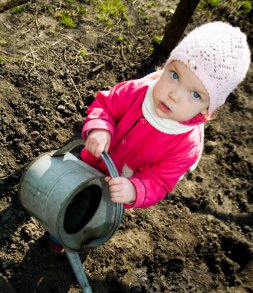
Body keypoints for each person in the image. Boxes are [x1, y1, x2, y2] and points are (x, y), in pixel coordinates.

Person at [49, 21, 250, 254]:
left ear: (208, 110)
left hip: (118, 188)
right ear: (166, 66)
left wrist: (135, 190)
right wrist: (100, 128)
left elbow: (160, 181)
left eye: (195, 94)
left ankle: (71, 234)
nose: (174, 94)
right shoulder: (139, 91)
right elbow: (106, 105)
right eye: (174, 75)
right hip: (89, 163)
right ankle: (55, 227)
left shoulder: (185, 146)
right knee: (66, 196)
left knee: (90, 211)